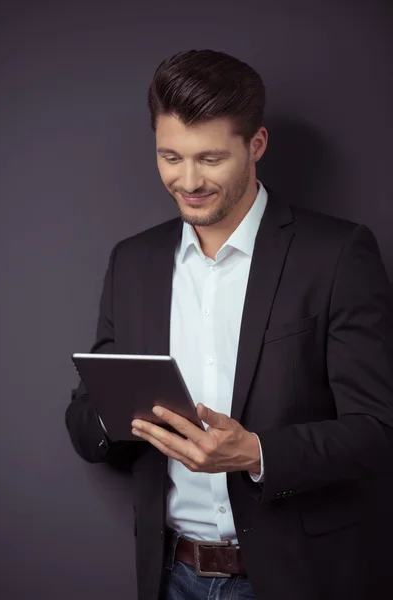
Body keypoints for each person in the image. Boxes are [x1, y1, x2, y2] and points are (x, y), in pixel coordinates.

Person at [65, 49, 393, 600]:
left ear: (255, 146)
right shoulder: (133, 261)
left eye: (210, 159)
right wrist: (112, 412)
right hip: (171, 576)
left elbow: (378, 430)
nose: (187, 180)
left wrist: (258, 453)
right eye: (170, 157)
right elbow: (85, 423)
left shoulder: (336, 254)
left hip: (296, 577)